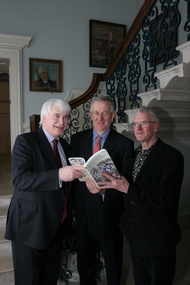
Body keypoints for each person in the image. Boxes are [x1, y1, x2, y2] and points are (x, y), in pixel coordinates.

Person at [85, 106, 184, 285]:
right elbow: (124, 187)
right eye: (135, 124)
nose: (137, 128)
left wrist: (128, 188)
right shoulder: (136, 153)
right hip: (135, 234)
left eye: (143, 123)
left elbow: (166, 196)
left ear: (156, 126)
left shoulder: (172, 156)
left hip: (157, 237)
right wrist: (104, 188)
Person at [4, 98, 84, 285]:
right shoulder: (26, 141)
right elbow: (20, 180)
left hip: (56, 226)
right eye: (57, 116)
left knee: (50, 278)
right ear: (44, 118)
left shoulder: (64, 145)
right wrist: (58, 174)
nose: (62, 122)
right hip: (30, 227)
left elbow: (68, 184)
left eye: (66, 117)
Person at [70, 95, 134, 285]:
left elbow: (127, 181)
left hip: (110, 214)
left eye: (104, 113)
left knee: (113, 263)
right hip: (83, 213)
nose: (100, 118)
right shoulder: (77, 139)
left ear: (112, 115)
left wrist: (105, 190)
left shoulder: (125, 144)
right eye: (96, 113)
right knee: (85, 263)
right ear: (90, 115)